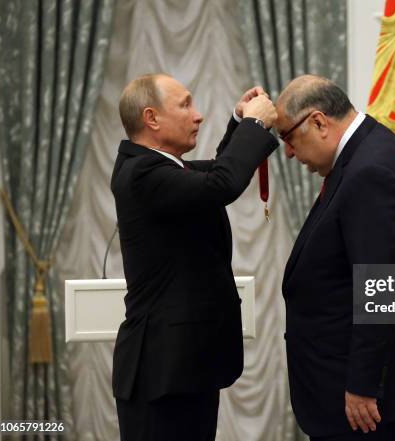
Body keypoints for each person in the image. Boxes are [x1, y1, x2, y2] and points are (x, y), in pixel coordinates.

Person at [277, 75, 395, 441]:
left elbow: (385, 288)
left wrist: (363, 384)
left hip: (369, 398)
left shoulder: (371, 171)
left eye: (287, 136)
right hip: (360, 386)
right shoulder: (362, 155)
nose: (288, 152)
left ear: (318, 122)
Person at [111, 73, 278, 441]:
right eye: (186, 104)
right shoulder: (142, 172)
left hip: (184, 365)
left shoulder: (162, 167)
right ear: (152, 118)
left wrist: (237, 122)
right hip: (162, 372)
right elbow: (223, 184)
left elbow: (220, 172)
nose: (198, 115)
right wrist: (254, 123)